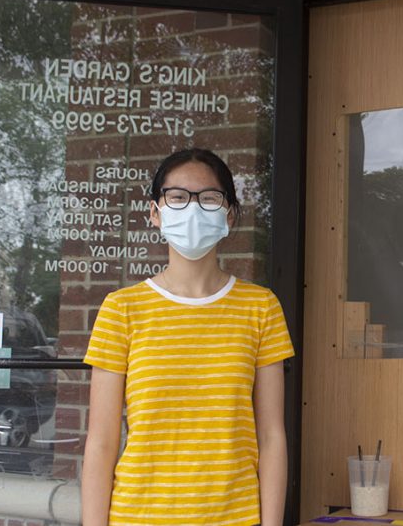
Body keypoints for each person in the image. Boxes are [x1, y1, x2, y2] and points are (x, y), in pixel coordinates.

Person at [81, 148, 294, 526]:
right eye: (177, 197)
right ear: (154, 212)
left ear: (229, 215)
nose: (193, 209)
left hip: (236, 517)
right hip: (137, 516)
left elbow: (272, 436)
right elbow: (100, 443)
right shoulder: (121, 309)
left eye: (209, 198)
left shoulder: (261, 307)